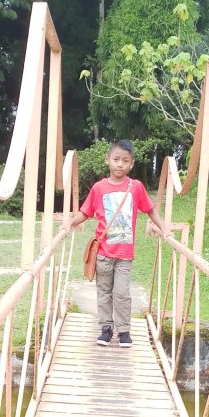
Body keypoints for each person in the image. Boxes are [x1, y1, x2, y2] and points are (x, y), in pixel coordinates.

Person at [67, 139, 171, 348]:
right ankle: (106, 328)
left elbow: (150, 210)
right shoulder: (99, 188)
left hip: (124, 255)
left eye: (125, 161)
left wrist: (164, 228)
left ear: (131, 164)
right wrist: (68, 224)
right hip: (103, 253)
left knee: (122, 293)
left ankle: (123, 330)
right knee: (104, 292)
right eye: (116, 160)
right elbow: (85, 212)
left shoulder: (137, 188)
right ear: (108, 160)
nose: (120, 165)